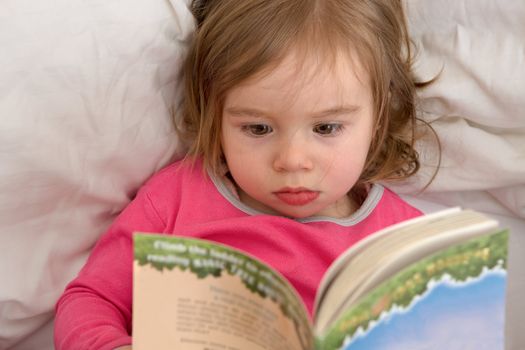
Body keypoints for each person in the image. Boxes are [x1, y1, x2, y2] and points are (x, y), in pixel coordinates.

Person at [54, 0, 438, 349]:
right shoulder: (176, 198)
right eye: (258, 129)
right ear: (216, 112)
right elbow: (91, 300)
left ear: (378, 116)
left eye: (326, 129)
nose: (291, 161)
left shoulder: (408, 242)